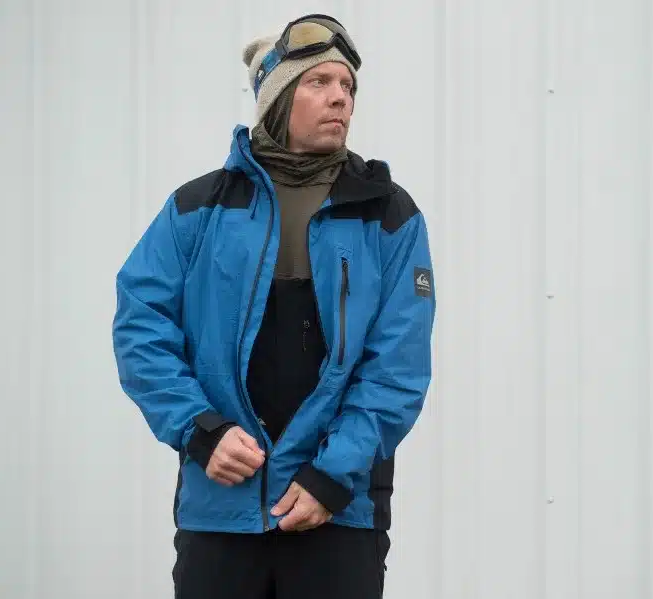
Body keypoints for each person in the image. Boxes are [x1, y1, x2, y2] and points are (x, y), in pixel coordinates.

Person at [111, 13, 436, 598]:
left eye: (348, 86)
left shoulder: (388, 214)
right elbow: (141, 328)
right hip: (221, 507)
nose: (340, 97)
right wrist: (200, 430)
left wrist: (332, 477)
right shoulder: (198, 208)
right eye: (319, 82)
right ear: (278, 98)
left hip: (336, 511)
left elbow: (397, 366)